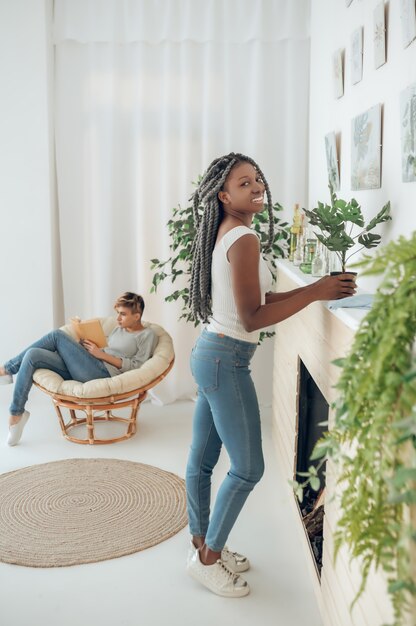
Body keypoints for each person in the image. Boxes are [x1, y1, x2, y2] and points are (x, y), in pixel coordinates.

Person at [185, 153, 356, 598]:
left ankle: (203, 544)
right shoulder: (243, 237)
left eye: (257, 178)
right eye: (244, 183)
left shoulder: (231, 232)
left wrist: (317, 289)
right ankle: (207, 559)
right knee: (247, 468)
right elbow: (252, 317)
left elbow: (264, 296)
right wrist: (318, 291)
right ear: (224, 196)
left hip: (210, 354)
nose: (257, 185)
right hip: (226, 359)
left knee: (202, 461)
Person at [0, 292, 157, 446]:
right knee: (33, 355)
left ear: (137, 316)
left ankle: (6, 370)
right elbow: (108, 349)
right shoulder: (119, 328)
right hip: (88, 365)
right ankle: (17, 414)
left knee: (56, 335)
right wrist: (87, 347)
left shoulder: (147, 335)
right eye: (117, 313)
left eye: (123, 314)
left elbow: (137, 366)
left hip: (101, 372)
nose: (118, 318)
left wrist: (100, 355)